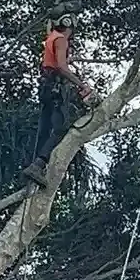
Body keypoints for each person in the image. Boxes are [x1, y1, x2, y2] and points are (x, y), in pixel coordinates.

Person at [21, 14, 96, 187]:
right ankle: (38, 165)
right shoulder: (61, 40)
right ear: (70, 27)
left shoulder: (51, 37)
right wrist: (82, 85)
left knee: (45, 128)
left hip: (45, 86)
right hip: (55, 87)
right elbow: (62, 67)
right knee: (60, 128)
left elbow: (49, 29)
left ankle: (33, 165)